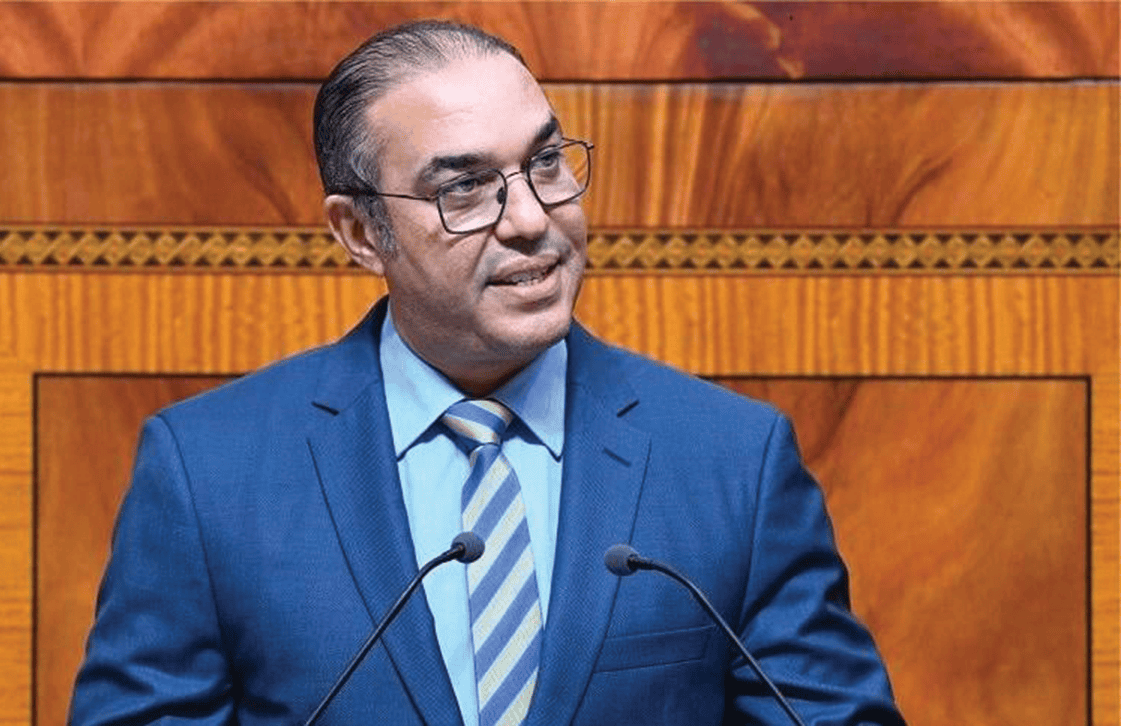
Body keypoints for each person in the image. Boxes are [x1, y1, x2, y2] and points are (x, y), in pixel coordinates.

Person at [71, 20, 905, 726]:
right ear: (360, 233)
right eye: (466, 188)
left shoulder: (733, 463)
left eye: (546, 163)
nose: (532, 219)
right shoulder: (208, 473)